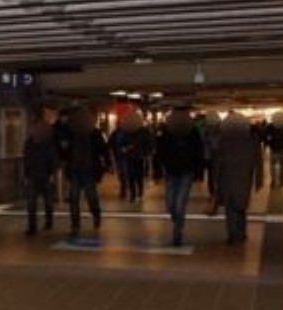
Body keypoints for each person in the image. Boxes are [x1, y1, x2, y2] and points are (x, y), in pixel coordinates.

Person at [154, 106, 205, 247]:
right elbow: (159, 152)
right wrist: (157, 172)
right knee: (170, 204)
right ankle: (178, 222)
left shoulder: (193, 132)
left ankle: (177, 232)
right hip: (170, 171)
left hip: (186, 172)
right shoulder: (166, 132)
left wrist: (199, 172)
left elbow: (198, 152)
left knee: (180, 204)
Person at [214, 112, 264, 244]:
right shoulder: (252, 140)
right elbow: (258, 161)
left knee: (229, 207)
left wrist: (214, 180)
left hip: (227, 178)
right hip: (245, 177)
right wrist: (259, 179)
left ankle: (232, 233)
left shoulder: (223, 141)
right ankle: (241, 232)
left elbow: (217, 162)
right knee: (241, 206)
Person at [60, 105, 109, 238]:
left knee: (90, 197)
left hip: (88, 170)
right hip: (75, 170)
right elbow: (63, 149)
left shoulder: (94, 133)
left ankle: (96, 214)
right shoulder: (70, 132)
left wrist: (107, 163)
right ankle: (75, 225)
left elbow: (103, 149)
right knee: (74, 199)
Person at [22, 112, 57, 236]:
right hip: (36, 174)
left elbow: (51, 159)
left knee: (42, 201)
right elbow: (27, 160)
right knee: (36, 202)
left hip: (41, 174)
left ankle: (44, 223)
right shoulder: (31, 143)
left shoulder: (44, 143)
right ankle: (37, 225)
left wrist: (51, 172)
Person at [113, 112, 151, 204]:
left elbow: (148, 143)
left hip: (138, 157)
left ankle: (139, 191)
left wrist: (145, 152)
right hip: (130, 157)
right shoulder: (126, 132)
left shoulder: (142, 131)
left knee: (138, 175)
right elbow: (120, 144)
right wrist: (125, 148)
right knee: (131, 176)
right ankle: (133, 194)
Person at [266, 112, 283, 188]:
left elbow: (266, 136)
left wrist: (269, 143)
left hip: (273, 149)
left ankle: (273, 181)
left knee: (272, 165)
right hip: (282, 149)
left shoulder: (270, 126)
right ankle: (282, 181)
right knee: (282, 166)